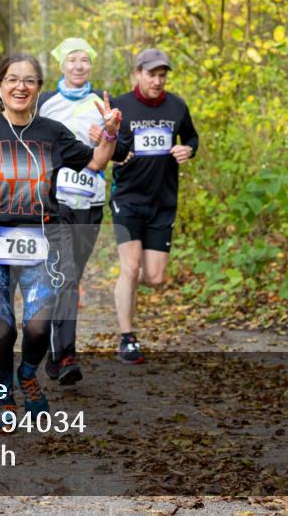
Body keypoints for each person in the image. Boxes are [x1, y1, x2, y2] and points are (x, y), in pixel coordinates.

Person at [0, 53, 121, 427]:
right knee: (3, 327)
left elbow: (96, 162)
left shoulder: (53, 132)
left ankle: (27, 374)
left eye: (29, 80)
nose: (21, 86)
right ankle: (3, 398)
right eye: (13, 79)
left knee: (37, 327)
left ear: (38, 89)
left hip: (42, 238)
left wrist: (109, 132)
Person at [108, 48, 198, 364]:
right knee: (130, 268)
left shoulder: (177, 105)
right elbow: (109, 145)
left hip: (163, 201)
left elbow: (191, 138)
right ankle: (127, 337)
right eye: (151, 74)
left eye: (162, 75)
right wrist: (119, 151)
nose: (157, 81)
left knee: (155, 278)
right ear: (138, 74)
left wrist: (188, 150)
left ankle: (125, 288)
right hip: (128, 198)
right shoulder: (120, 105)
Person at [36, 37, 106, 385]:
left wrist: (107, 136)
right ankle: (65, 355)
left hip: (91, 203)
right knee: (66, 276)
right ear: (61, 66)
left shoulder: (102, 102)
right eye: (72, 60)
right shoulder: (46, 104)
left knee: (70, 278)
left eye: (85, 60)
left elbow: (121, 152)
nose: (79, 66)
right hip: (56, 202)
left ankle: (53, 352)